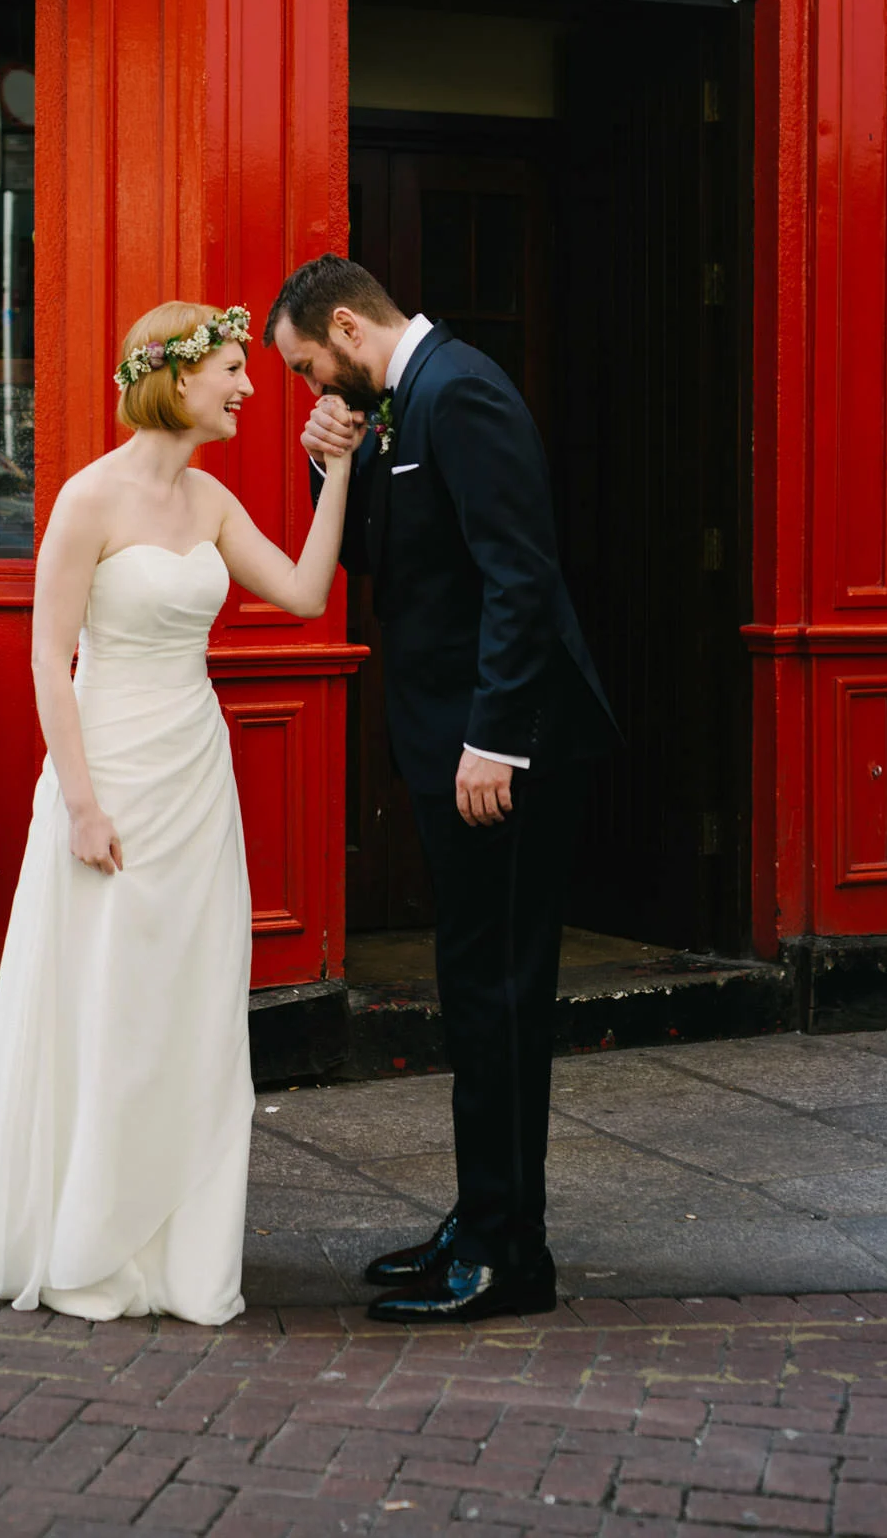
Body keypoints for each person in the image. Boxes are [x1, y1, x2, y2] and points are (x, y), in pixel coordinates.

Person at [0, 300, 353, 1324]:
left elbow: (302, 592)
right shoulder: (88, 499)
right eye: (232, 371)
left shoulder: (209, 503)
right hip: (108, 771)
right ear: (176, 377)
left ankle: (173, 1245)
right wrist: (79, 801)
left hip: (195, 777)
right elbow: (48, 656)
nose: (249, 388)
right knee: (106, 999)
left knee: (187, 1005)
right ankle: (81, 1234)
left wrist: (335, 475)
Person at [266, 255, 616, 1325]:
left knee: (502, 1000)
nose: (309, 387)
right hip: (452, 749)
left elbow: (521, 571)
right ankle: (481, 1220)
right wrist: (335, 467)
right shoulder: (404, 401)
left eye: (306, 367)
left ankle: (512, 1257)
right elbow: (390, 555)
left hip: (499, 760)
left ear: (343, 326)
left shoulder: (459, 390)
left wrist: (496, 741)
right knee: (474, 995)